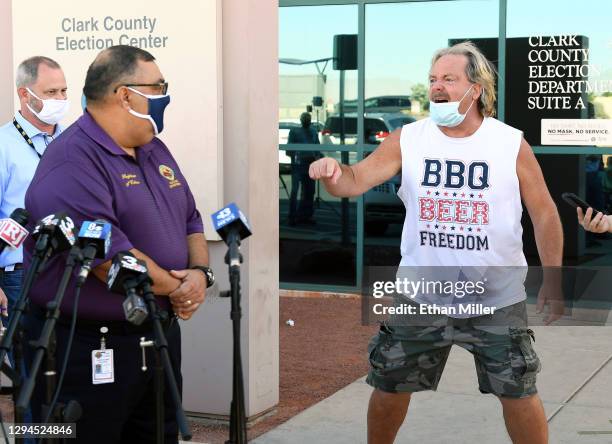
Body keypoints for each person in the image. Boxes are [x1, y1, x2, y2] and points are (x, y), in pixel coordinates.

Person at [309, 42, 563, 444]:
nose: (437, 88)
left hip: (494, 298)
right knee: (391, 386)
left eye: (448, 79)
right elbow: (354, 180)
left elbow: (545, 213)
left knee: (518, 391)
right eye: (432, 80)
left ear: (475, 88)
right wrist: (331, 172)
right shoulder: (408, 139)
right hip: (421, 296)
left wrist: (553, 277)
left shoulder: (508, 143)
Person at [23, 45, 214, 443]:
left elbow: (191, 219)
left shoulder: (153, 146)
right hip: (85, 346)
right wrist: (180, 288)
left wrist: (199, 274)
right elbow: (110, 260)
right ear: (125, 94)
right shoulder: (72, 160)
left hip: (155, 336)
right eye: (158, 86)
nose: (165, 95)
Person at [0, 56, 69, 329]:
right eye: (51, 92)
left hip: (68, 272)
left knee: (67, 368)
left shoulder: (72, 142)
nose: (60, 99)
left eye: (64, 91)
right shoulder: (4, 145)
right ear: (24, 94)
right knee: (29, 368)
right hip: (20, 277)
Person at [287, 112, 321, 225]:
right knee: (295, 191)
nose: (306, 121)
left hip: (310, 164)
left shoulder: (313, 132)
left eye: (308, 119)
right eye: (305, 119)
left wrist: (318, 157)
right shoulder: (295, 132)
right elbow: (289, 149)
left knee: (309, 191)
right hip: (298, 164)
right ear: (302, 120)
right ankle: (293, 216)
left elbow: (317, 149)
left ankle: (305, 215)